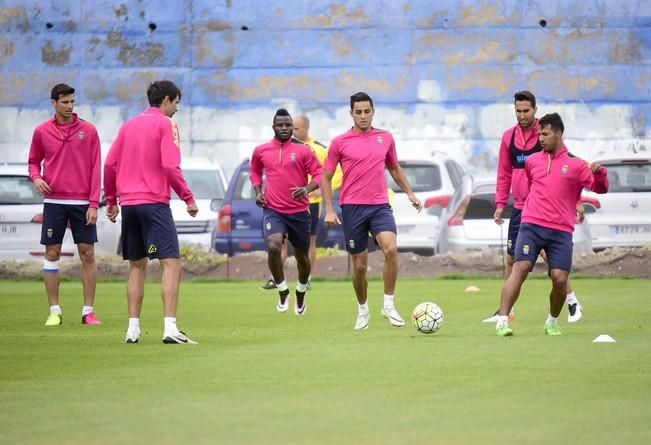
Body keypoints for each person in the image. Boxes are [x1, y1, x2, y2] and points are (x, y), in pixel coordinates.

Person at [495, 113, 608, 336]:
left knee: (559, 278)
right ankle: (502, 320)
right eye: (539, 134)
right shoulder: (532, 161)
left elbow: (600, 188)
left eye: (545, 134)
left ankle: (552, 321)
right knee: (521, 267)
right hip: (532, 225)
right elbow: (533, 185)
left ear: (558, 133)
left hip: (561, 230)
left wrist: (601, 173)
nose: (540, 138)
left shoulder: (577, 165)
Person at [103, 80, 199, 344]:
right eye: (176, 103)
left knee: (137, 265)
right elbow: (170, 166)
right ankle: (170, 328)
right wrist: (188, 198)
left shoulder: (129, 125)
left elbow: (110, 164)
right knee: (171, 264)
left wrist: (111, 200)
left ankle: (132, 330)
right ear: (166, 100)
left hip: (130, 205)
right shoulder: (166, 125)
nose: (176, 109)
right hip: (154, 203)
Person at [322, 92, 422, 330]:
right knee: (359, 266)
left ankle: (388, 304)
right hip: (352, 207)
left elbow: (394, 168)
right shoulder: (339, 142)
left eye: (367, 111)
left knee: (391, 249)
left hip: (379, 206)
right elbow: (325, 176)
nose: (363, 116)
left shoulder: (385, 138)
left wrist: (410, 193)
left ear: (373, 112)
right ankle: (363, 309)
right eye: (359, 112)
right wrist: (328, 208)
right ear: (351, 114)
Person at [488, 90, 584, 323]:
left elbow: (569, 168)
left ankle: (571, 301)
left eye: (526, 111)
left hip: (543, 210)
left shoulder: (547, 132)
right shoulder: (508, 137)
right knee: (513, 259)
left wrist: (577, 202)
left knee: (549, 260)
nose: (521, 115)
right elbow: (504, 172)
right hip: (521, 207)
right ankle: (507, 311)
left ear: (535, 109)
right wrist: (501, 202)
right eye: (518, 111)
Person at [28, 83, 102, 327]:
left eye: (72, 102)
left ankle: (88, 311)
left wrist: (93, 204)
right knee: (52, 253)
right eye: (65, 102)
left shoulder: (89, 131)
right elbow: (32, 163)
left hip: (82, 203)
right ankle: (54, 311)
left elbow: (95, 169)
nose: (70, 107)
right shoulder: (41, 131)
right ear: (54, 103)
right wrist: (37, 178)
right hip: (54, 202)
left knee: (87, 254)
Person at [250, 109, 323, 315]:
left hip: (299, 212)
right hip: (273, 210)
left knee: (302, 258)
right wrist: (258, 191)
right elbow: (255, 171)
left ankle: (300, 293)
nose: (284, 128)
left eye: (287, 125)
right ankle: (282, 290)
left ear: (292, 127)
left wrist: (306, 189)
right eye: (280, 125)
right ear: (273, 127)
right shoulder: (261, 150)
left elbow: (318, 173)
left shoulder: (304, 150)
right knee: (274, 245)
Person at [292, 114, 343, 289]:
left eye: (296, 128)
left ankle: (307, 278)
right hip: (289, 202)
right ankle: (277, 279)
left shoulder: (320, 149)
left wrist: (321, 190)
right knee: (282, 240)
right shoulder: (287, 146)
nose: (292, 131)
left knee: (310, 240)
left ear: (306, 128)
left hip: (311, 203)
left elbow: (337, 172)